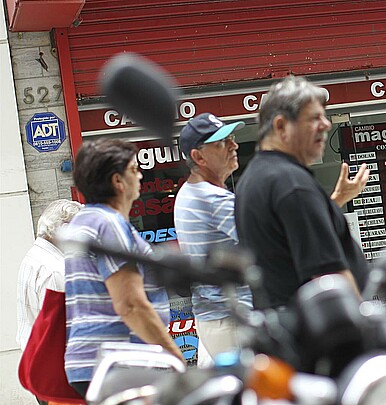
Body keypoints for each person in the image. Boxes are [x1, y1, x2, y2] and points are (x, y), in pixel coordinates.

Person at [234, 75, 369, 309]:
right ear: (281, 126)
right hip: (319, 337)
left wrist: (335, 201)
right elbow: (330, 280)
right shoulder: (293, 185)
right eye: (314, 118)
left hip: (284, 333)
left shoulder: (255, 177)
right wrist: (365, 331)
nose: (326, 125)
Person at [64, 138, 183, 397]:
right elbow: (130, 304)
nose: (140, 175)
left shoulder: (86, 220)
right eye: (133, 170)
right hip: (120, 360)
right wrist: (175, 358)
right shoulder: (109, 224)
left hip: (98, 361)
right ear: (118, 181)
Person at [174, 112, 254, 365]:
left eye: (231, 138)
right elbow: (271, 242)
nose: (234, 145)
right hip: (231, 320)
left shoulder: (189, 193)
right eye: (221, 143)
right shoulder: (213, 199)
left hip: (216, 319)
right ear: (198, 157)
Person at [16, 199, 82, 405]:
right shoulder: (55, 269)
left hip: (39, 366)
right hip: (59, 373)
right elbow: (61, 329)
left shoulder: (33, 257)